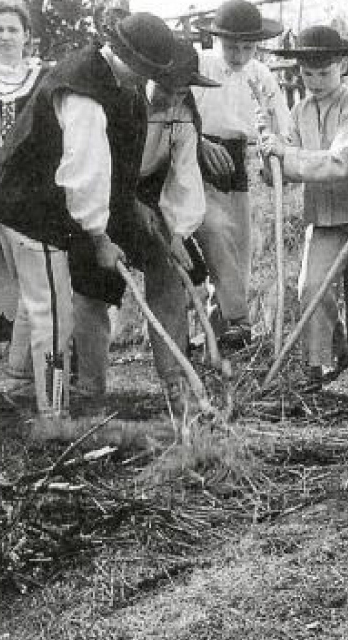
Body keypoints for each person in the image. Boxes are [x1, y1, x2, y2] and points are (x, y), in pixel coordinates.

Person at [0, 12, 176, 422]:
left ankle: (20, 386)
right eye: (148, 71)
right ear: (132, 60)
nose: (147, 81)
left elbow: (109, 169)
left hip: (41, 206)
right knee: (52, 311)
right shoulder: (85, 91)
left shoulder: (106, 77)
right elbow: (84, 172)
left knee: (41, 303)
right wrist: (100, 238)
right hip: (30, 209)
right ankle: (54, 411)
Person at [260, 25, 348, 395]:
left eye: (324, 72)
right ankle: (317, 364)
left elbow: (340, 164)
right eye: (308, 74)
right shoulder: (298, 110)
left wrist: (286, 156)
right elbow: (281, 169)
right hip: (322, 221)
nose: (316, 81)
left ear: (342, 65)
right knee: (311, 288)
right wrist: (269, 155)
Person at [192, 0, 290, 350]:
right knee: (214, 231)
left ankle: (221, 343)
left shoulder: (260, 75)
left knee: (238, 248)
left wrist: (271, 155)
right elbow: (174, 112)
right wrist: (198, 140)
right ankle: (239, 317)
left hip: (237, 162)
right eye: (232, 46)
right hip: (197, 158)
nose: (239, 54)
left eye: (247, 47)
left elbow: (278, 124)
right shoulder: (199, 64)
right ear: (218, 40)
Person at [131, 38, 221, 414]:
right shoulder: (126, 102)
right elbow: (102, 165)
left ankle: (174, 377)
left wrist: (179, 233)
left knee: (169, 273)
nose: (173, 96)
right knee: (92, 287)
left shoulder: (182, 116)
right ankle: (87, 383)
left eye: (182, 89)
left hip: (151, 198)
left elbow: (184, 176)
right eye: (167, 87)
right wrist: (130, 202)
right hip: (101, 195)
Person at [0, 0, 46, 396]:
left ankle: (29, 371)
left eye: (12, 29)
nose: (5, 36)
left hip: (31, 190)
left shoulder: (41, 77)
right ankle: (18, 371)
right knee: (7, 280)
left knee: (34, 279)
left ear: (26, 36)